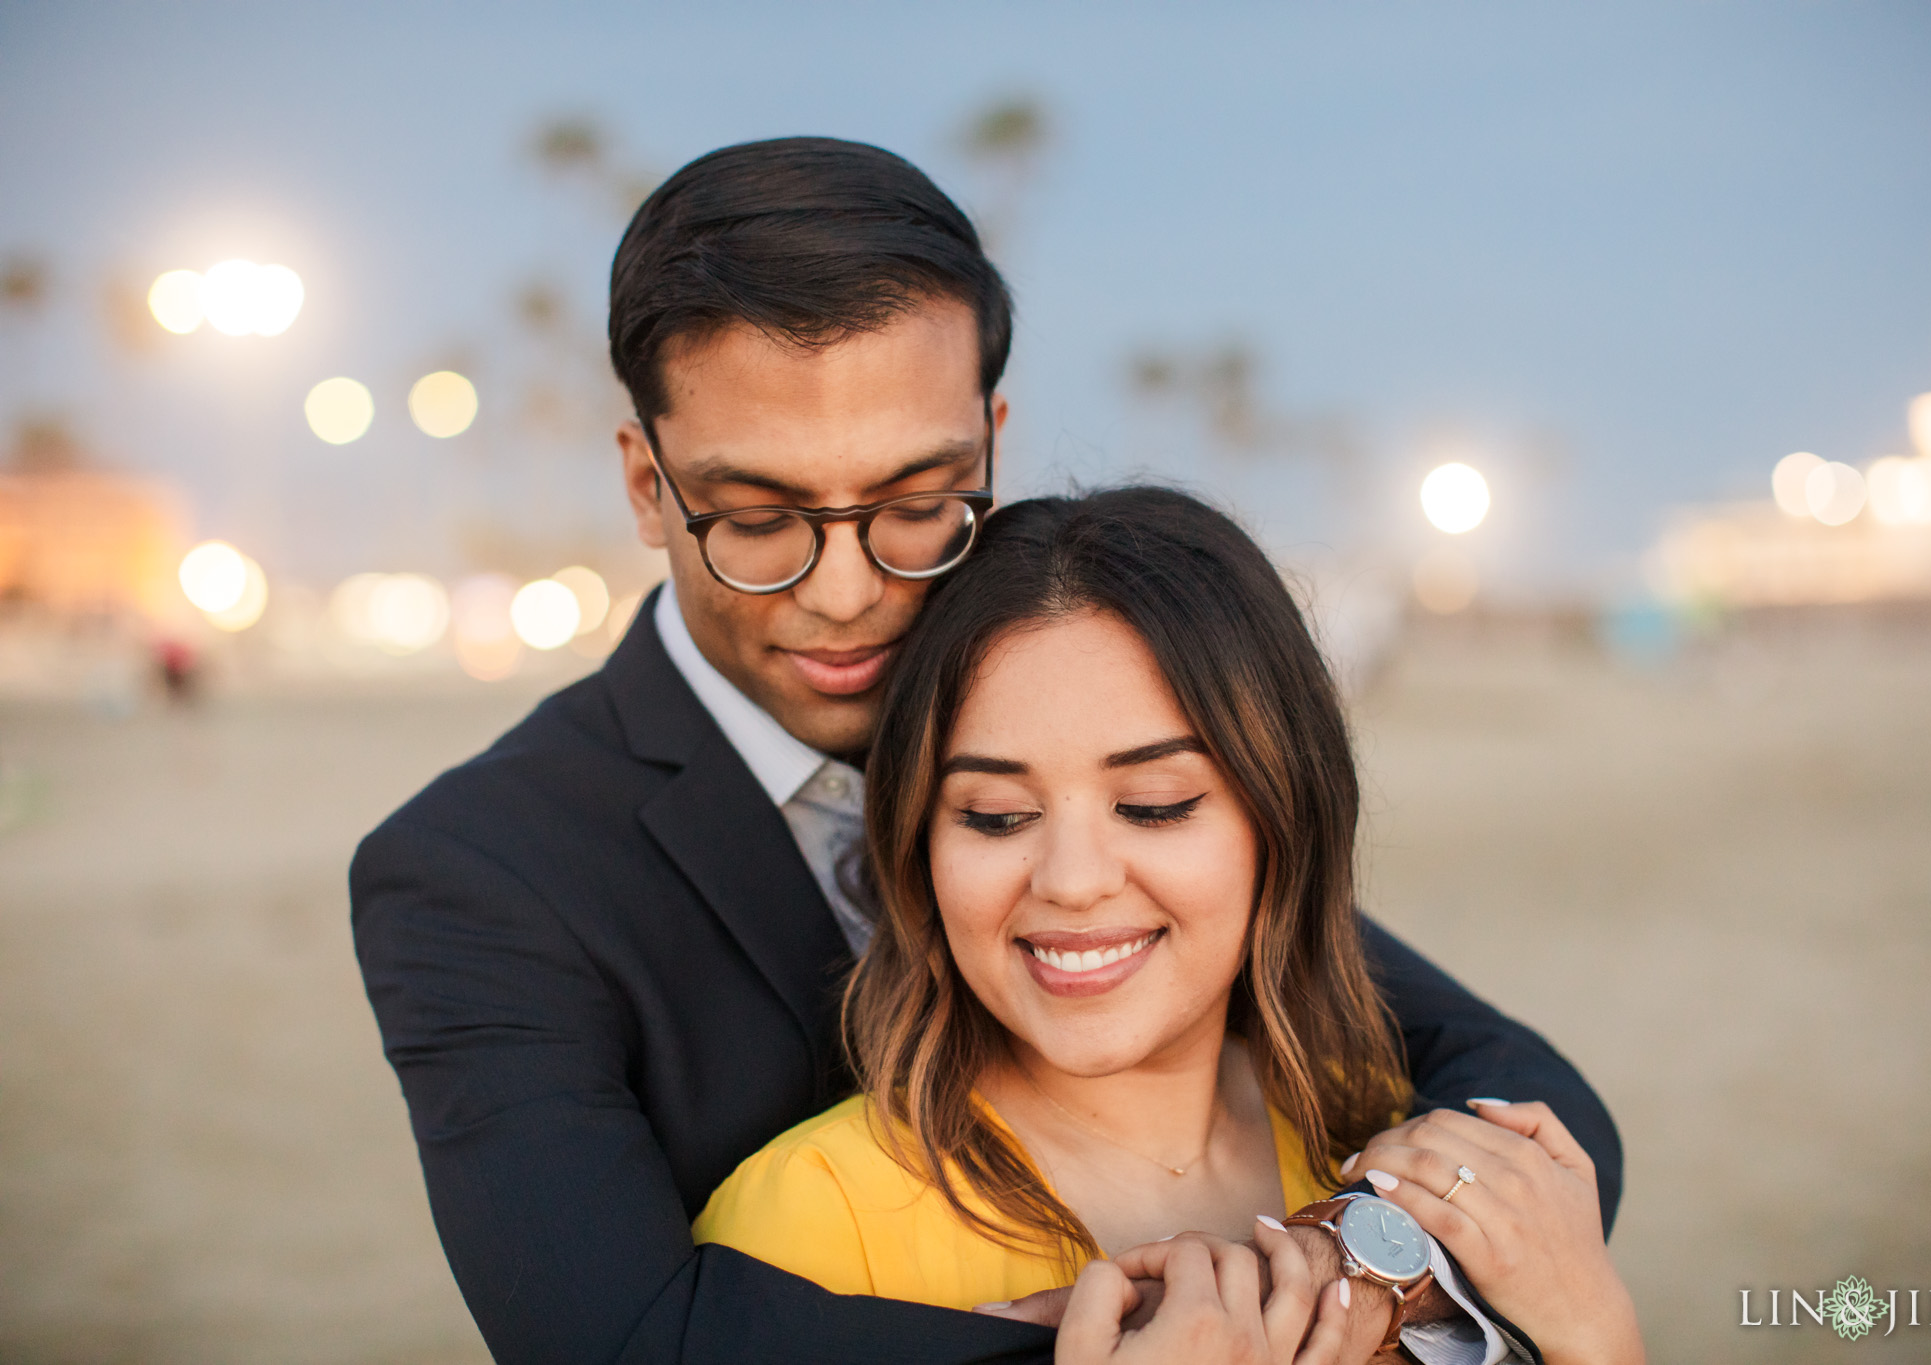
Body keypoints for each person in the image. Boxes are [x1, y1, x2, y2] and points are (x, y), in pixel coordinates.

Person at [351, 137, 1622, 1365]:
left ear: (990, 445)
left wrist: (1352, 1266)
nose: (846, 592)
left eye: (916, 506)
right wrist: (1186, 1329)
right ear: (645, 485)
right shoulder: (478, 874)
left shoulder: (1068, 706)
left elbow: (1499, 1075)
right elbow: (620, 1343)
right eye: (754, 518)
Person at [691, 487, 1643, 1364]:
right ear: (916, 845)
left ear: (1284, 819)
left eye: (1153, 804)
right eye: (992, 815)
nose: (1070, 881)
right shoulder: (805, 1229)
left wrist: (1592, 1330)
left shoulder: (1378, 1129)